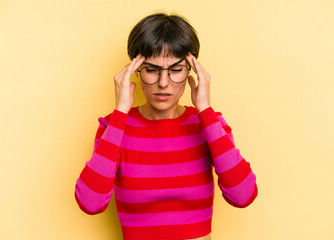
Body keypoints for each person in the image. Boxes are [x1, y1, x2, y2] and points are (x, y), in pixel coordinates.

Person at [75, 12, 258, 240]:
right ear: (134, 71)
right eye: (151, 70)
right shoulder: (113, 127)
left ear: (192, 71)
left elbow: (243, 196)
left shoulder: (210, 125)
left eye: (175, 70)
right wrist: (120, 111)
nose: (163, 83)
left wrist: (205, 109)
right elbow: (90, 203)